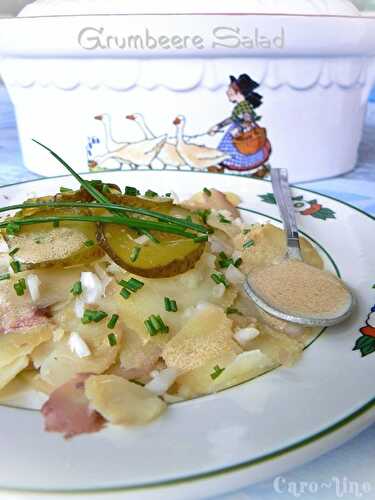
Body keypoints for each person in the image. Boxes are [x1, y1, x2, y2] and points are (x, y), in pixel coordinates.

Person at [208, 74, 271, 176]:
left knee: (242, 151)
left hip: (243, 133)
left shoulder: (244, 106)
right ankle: (221, 167)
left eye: (230, 89)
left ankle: (255, 171)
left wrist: (241, 128)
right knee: (226, 150)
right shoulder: (240, 106)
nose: (227, 92)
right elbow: (233, 118)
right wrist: (219, 126)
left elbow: (248, 119)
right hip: (236, 130)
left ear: (239, 92)